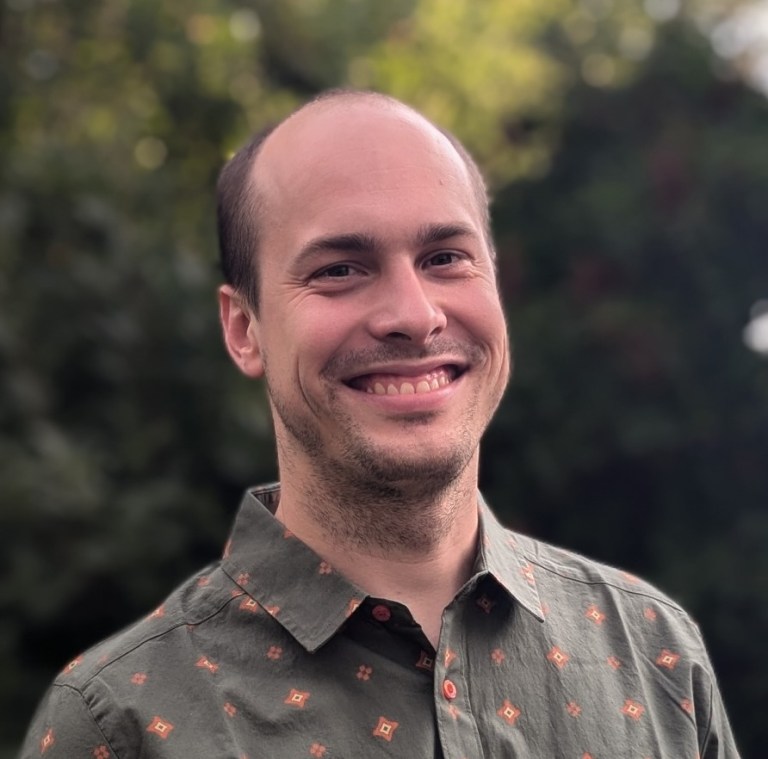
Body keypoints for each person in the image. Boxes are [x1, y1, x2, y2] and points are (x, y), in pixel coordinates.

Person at [18, 90, 739, 758]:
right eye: (339, 269)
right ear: (244, 328)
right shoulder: (119, 718)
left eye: (446, 257)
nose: (415, 314)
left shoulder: (654, 649)